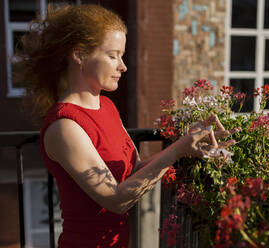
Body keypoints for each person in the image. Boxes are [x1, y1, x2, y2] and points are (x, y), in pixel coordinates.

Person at [15, 4, 238, 248]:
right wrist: (176, 151)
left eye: (121, 55)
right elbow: (116, 200)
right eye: (113, 56)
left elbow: (134, 171)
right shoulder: (64, 126)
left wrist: (187, 143)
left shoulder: (107, 107)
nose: (123, 66)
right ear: (78, 54)